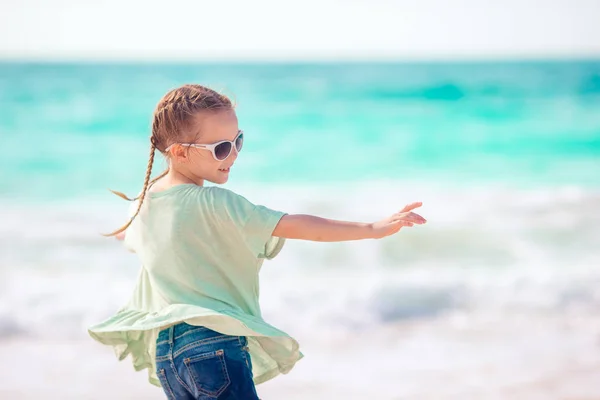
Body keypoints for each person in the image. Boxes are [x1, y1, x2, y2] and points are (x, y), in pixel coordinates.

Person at [88, 84, 426, 400]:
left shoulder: (143, 206)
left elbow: (128, 235)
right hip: (213, 342)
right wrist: (373, 226)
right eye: (221, 148)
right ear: (178, 152)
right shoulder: (218, 204)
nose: (233, 154)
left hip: (167, 356)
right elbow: (299, 226)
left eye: (238, 141)